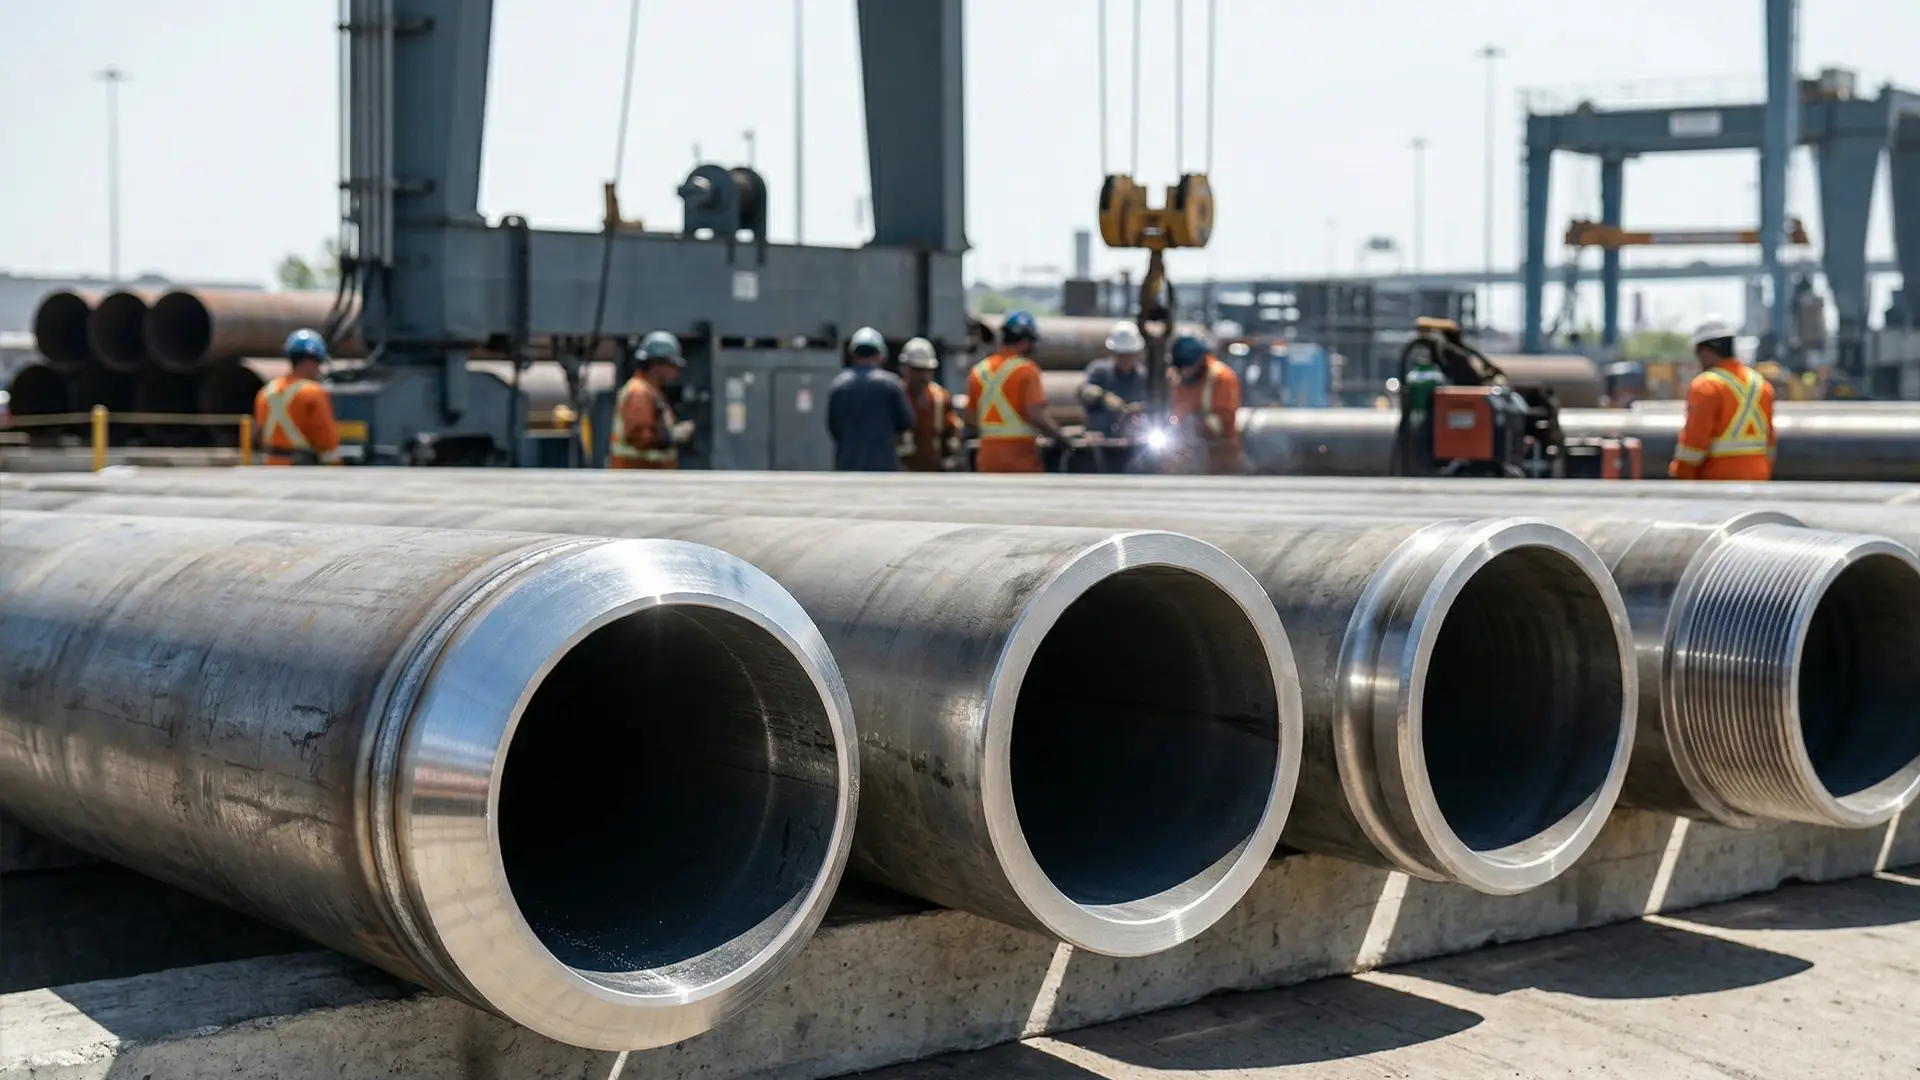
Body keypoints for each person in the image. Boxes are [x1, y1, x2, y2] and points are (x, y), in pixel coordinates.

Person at [1671, 317, 1774, 481]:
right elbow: (1770, 442)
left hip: (1718, 483)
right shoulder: (1760, 384)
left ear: (1705, 350)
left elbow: (1694, 444)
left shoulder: (1706, 385)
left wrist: (1682, 476)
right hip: (1758, 478)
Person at [966, 310, 1066, 473]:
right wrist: (1060, 437)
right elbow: (1034, 414)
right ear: (1026, 341)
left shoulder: (978, 371)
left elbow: (970, 419)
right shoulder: (1027, 370)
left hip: (987, 459)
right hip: (1020, 460)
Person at [827, 326, 915, 472]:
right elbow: (906, 421)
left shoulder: (838, 386)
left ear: (853, 354)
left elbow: (834, 427)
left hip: (847, 464)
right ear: (881, 355)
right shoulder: (891, 385)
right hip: (882, 464)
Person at [255, 329, 341, 466]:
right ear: (313, 360)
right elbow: (326, 439)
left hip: (270, 467)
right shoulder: (313, 392)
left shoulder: (266, 392)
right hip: (300, 471)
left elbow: (260, 434)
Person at [610, 330, 695, 469]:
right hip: (638, 479)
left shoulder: (651, 392)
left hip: (649, 480)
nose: (676, 371)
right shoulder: (638, 393)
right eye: (672, 365)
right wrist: (672, 436)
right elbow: (640, 438)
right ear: (657, 364)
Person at [1167, 333, 1243, 475]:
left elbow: (1224, 418)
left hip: (1220, 459)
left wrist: (1195, 425)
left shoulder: (1222, 378)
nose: (1184, 371)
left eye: (1188, 366)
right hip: (1187, 458)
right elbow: (1175, 410)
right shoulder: (1176, 377)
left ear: (1200, 360)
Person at [897, 337, 962, 472]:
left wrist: (950, 455)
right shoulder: (896, 395)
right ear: (904, 368)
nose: (924, 376)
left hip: (932, 470)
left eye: (927, 370)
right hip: (901, 470)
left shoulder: (940, 397)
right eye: (917, 370)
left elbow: (952, 429)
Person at [1077, 320, 1148, 438]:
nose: (1125, 358)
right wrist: (1103, 397)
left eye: (1128, 353)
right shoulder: (1099, 371)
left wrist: (1140, 407)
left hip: (1133, 439)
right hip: (1101, 439)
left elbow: (1155, 403)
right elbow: (1083, 391)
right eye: (1121, 354)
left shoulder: (1143, 377)